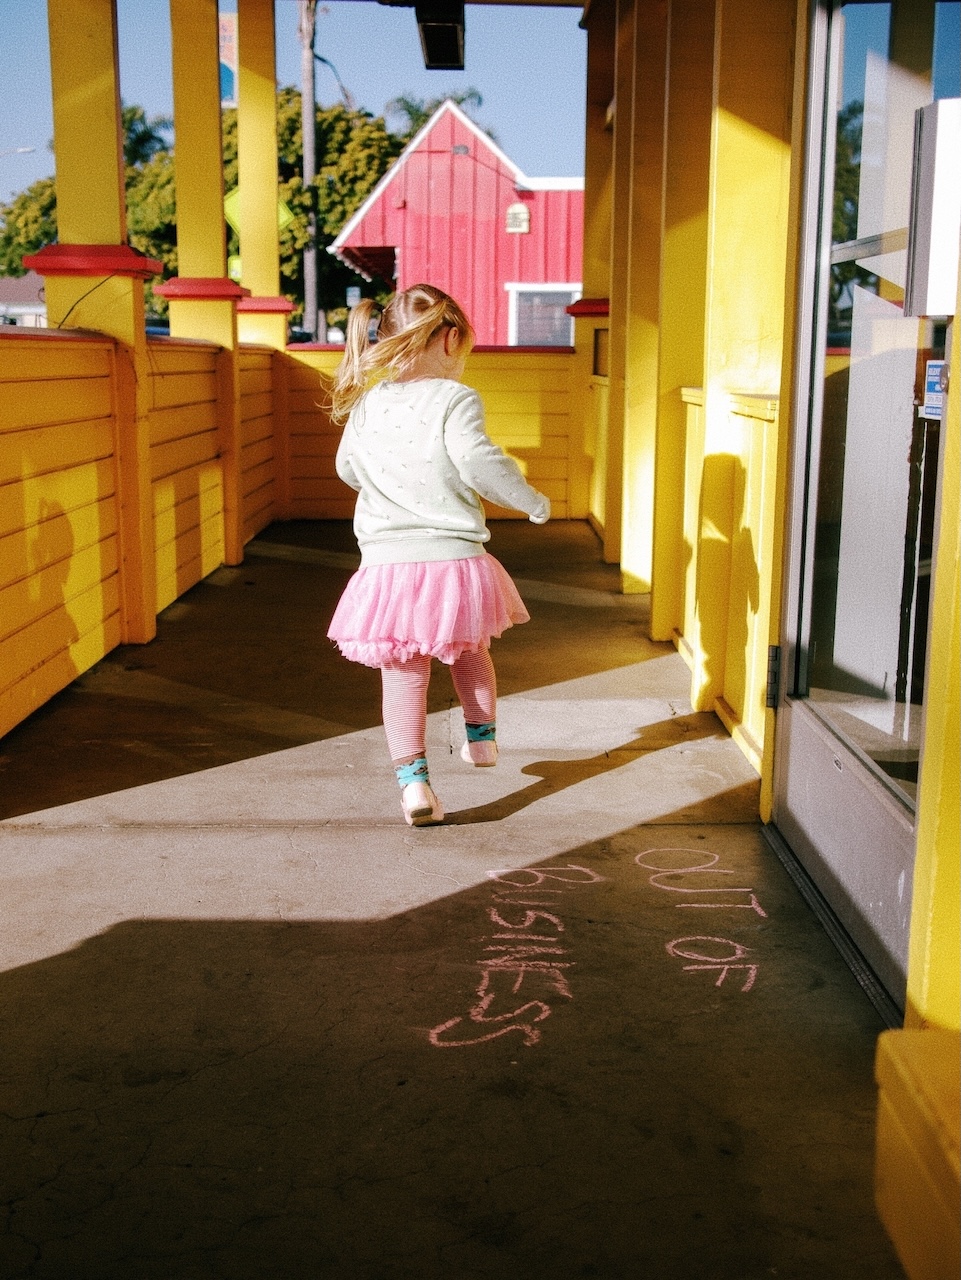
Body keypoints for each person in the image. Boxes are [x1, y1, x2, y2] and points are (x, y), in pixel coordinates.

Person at [326, 283, 551, 827]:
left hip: (387, 566)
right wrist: (533, 502)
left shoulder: (368, 404)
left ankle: (414, 787)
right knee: (469, 646)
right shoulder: (455, 399)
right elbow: (478, 462)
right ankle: (480, 737)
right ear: (450, 339)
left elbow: (347, 471)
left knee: (403, 673)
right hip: (452, 560)